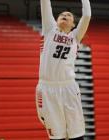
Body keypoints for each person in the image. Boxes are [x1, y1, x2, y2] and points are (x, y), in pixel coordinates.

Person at [36, 0, 91, 139]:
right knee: (57, 136)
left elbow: (87, 15)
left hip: (69, 88)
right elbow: (45, 3)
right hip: (47, 89)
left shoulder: (75, 37)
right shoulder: (49, 29)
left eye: (69, 15)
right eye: (61, 14)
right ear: (55, 20)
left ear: (73, 25)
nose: (64, 15)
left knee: (77, 134)